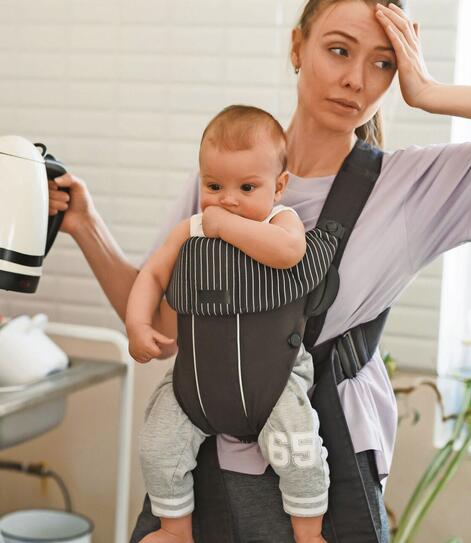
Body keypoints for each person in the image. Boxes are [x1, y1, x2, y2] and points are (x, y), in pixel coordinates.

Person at [48, 0, 471, 540]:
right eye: (339, 51)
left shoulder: (411, 188)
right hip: (202, 468)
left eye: (382, 63)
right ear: (297, 47)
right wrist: (87, 227)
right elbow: (166, 328)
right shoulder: (227, 179)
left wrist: (432, 92)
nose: (356, 79)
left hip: (316, 476)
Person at [127, 105, 328, 543]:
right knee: (158, 446)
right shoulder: (191, 229)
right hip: (198, 381)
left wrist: (224, 224)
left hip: (271, 381)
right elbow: (154, 274)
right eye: (214, 186)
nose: (228, 198)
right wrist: (137, 323)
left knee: (298, 450)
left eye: (247, 187)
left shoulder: (281, 220)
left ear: (279, 187)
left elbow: (289, 253)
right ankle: (175, 531)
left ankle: (309, 533)